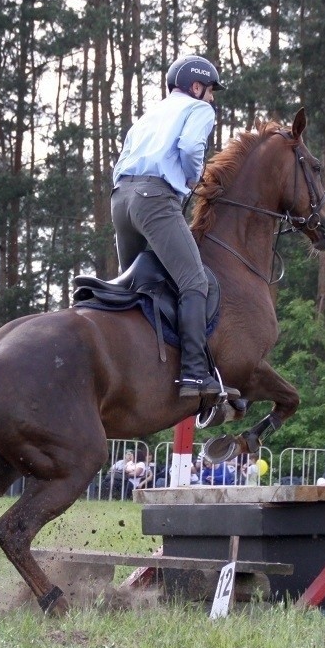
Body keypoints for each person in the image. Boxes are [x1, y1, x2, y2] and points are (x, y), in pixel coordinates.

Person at [110, 54, 239, 401]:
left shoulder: (149, 115)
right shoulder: (198, 110)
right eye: (210, 90)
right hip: (154, 198)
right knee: (193, 280)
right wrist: (193, 177)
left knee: (134, 285)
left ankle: (128, 366)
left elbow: (122, 161)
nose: (212, 98)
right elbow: (190, 147)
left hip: (120, 199)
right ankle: (195, 373)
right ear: (196, 87)